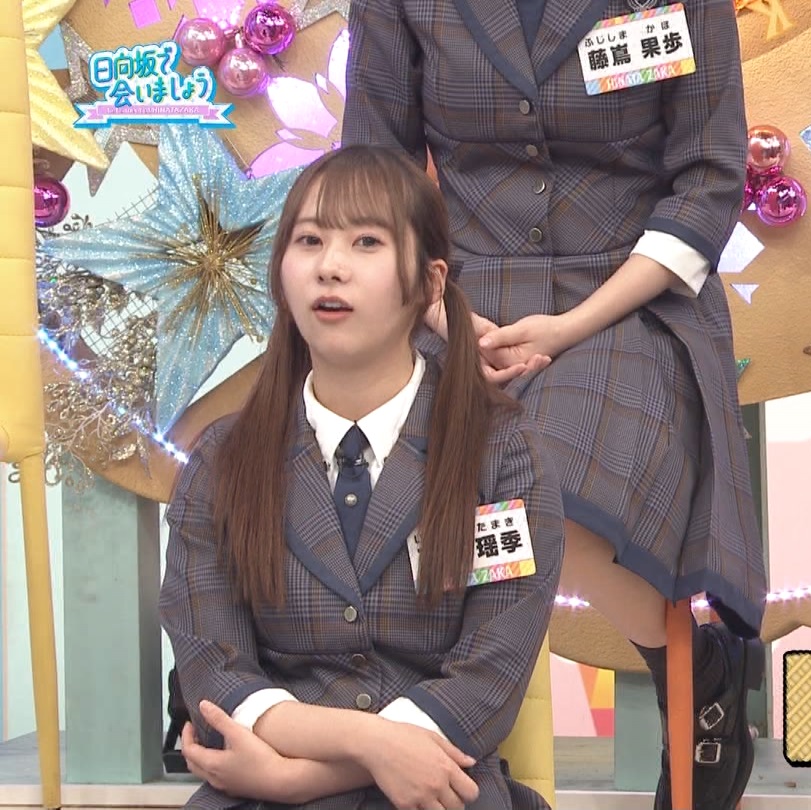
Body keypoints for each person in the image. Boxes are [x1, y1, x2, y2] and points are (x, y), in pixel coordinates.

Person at [341, 1, 768, 807]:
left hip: (630, 295)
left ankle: (691, 670)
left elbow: (707, 180)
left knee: (548, 477)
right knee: (388, 505)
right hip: (453, 299)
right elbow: (373, 176)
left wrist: (574, 323)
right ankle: (438, 739)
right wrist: (441, 312)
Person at [159, 145, 563, 810]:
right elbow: (215, 672)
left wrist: (296, 779)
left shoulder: (502, 454)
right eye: (309, 240)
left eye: (366, 242)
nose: (330, 266)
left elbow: (490, 677)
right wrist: (370, 745)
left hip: (439, 790)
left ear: (430, 283)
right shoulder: (221, 461)